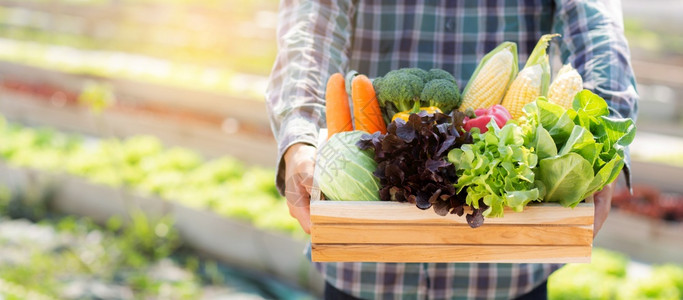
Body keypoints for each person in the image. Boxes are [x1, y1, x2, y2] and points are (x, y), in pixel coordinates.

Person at [265, 1, 638, 299]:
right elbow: (310, 25)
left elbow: (597, 27)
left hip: (506, 262)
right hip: (367, 259)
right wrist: (300, 136)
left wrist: (603, 141)